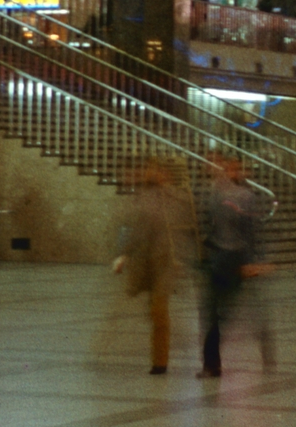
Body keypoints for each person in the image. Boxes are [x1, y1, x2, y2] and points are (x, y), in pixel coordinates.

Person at [113, 159, 194, 374]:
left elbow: (183, 228)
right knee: (154, 311)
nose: (152, 174)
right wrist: (125, 254)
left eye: (158, 170)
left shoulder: (176, 196)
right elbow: (136, 228)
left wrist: (182, 257)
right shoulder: (143, 197)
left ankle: (160, 362)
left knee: (159, 310)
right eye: (150, 170)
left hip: (167, 262)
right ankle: (159, 356)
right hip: (147, 262)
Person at [196, 155, 270, 378]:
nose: (230, 172)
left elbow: (250, 231)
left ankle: (264, 348)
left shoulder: (244, 196)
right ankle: (212, 364)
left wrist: (252, 261)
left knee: (225, 313)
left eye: (234, 169)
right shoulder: (212, 193)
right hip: (217, 258)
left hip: (233, 259)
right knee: (214, 313)